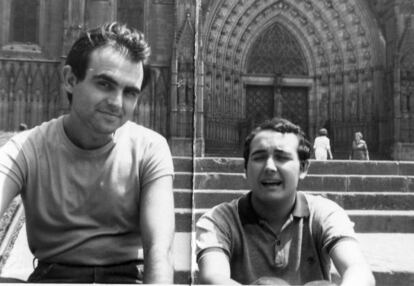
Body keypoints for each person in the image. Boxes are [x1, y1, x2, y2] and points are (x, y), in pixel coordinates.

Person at [0, 22, 175, 284]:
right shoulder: (25, 149)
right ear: (70, 79)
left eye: (129, 92)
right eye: (105, 84)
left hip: (124, 278)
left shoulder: (150, 148)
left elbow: (159, 252)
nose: (116, 102)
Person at [196, 117, 375, 286]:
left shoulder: (324, 213)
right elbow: (213, 277)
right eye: (259, 157)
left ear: (303, 168)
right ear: (245, 168)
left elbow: (357, 269)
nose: (269, 167)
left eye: (282, 158)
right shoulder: (219, 220)